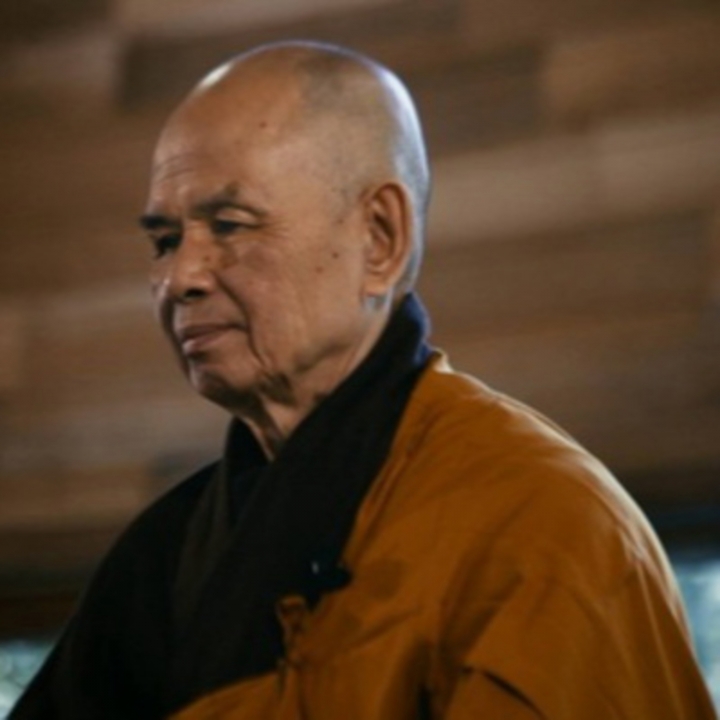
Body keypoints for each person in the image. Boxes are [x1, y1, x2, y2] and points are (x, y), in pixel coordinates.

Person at [10, 40, 717, 720]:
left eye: (229, 225)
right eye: (165, 241)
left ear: (380, 238)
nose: (180, 278)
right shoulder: (164, 555)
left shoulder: (540, 523)